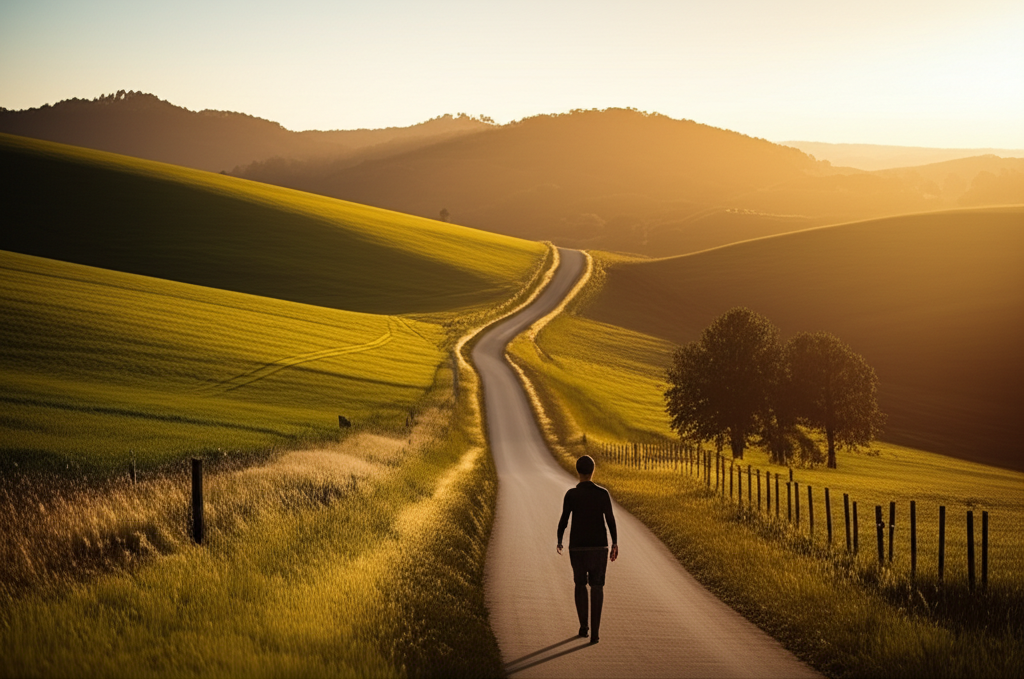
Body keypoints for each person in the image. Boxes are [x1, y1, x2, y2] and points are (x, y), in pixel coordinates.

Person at [556, 455, 618, 645]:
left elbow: (564, 520)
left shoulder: (571, 495)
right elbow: (610, 519)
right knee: (597, 587)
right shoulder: (602, 494)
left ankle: (584, 627)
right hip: (599, 547)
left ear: (578, 471)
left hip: (578, 547)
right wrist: (615, 543)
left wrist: (559, 540)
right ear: (593, 471)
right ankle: (596, 634)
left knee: (580, 584)